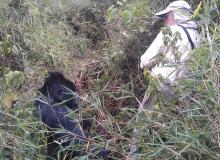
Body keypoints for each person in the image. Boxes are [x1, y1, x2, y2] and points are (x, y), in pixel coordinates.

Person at [140, 0, 201, 111]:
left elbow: (146, 60)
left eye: (166, 16)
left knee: (145, 121)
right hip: (184, 92)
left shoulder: (171, 31)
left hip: (162, 85)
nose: (164, 20)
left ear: (176, 15)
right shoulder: (198, 36)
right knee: (166, 125)